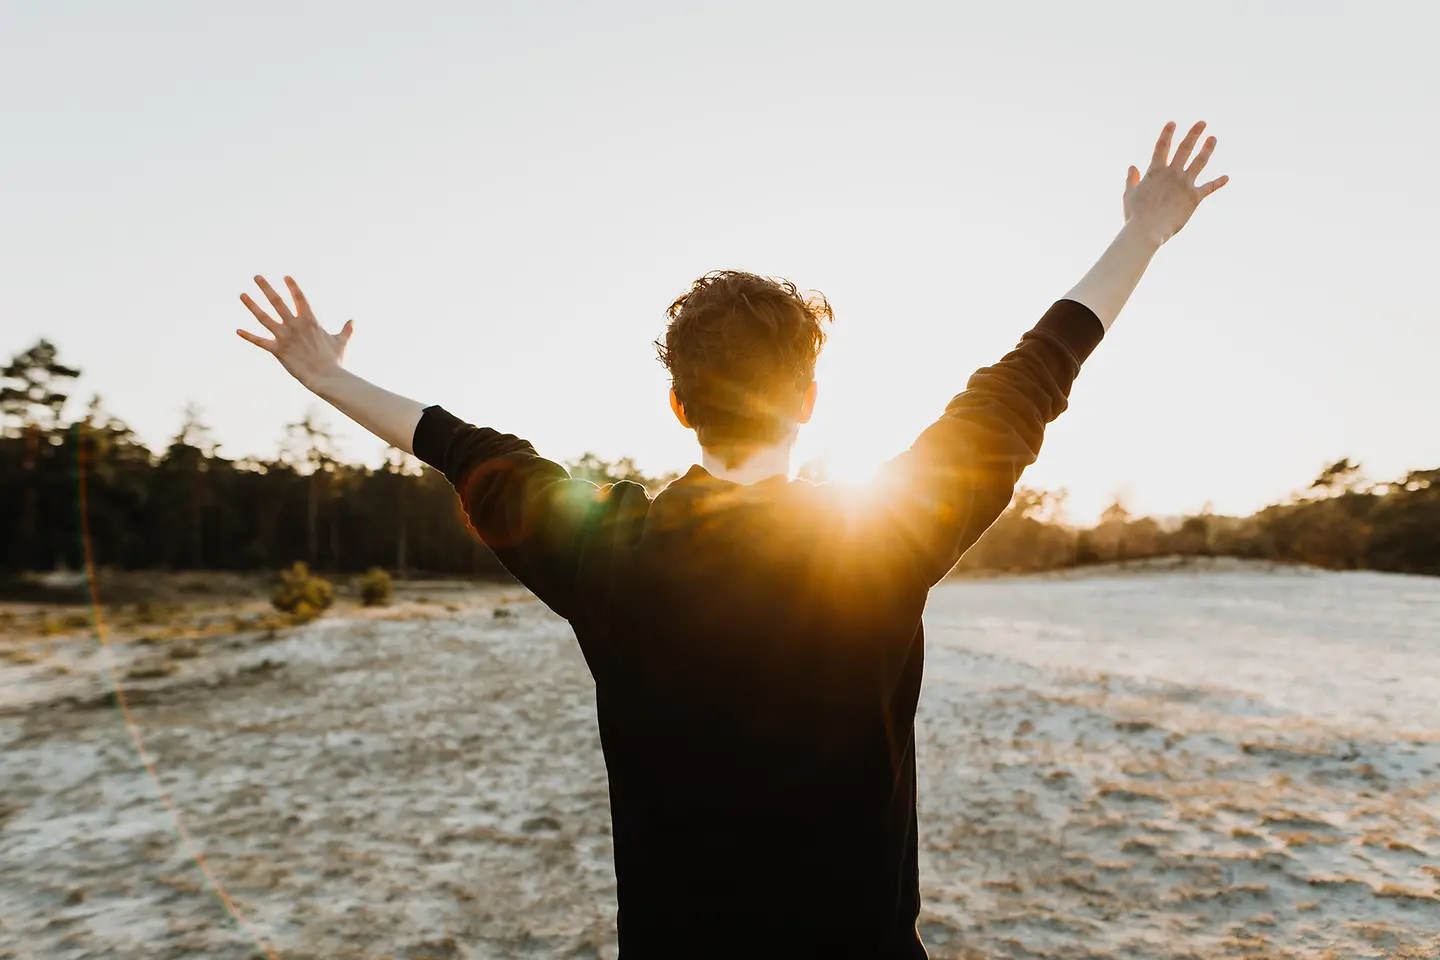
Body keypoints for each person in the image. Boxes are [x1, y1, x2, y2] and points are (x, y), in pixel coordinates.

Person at [237, 121, 1227, 958]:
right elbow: (1030, 378)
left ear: (678, 404)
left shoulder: (606, 549)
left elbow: (461, 447)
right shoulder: (881, 538)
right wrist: (1143, 234)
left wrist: (327, 379)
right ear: (809, 399)